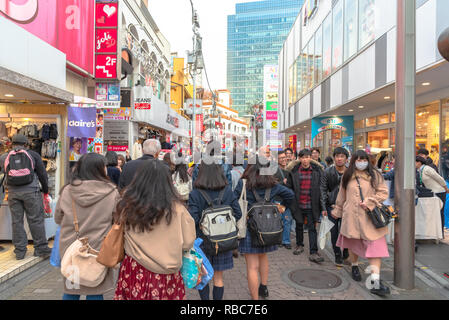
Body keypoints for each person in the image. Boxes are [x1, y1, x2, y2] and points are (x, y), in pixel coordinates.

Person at [114, 160, 196, 300]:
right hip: (167, 273)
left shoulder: (127, 205)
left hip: (134, 269)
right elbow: (188, 243)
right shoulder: (178, 209)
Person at [54, 153, 120, 300]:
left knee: (72, 289)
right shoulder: (112, 192)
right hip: (98, 248)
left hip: (72, 247)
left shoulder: (67, 191)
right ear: (101, 169)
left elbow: (58, 218)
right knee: (95, 288)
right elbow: (117, 221)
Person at [331, 150, 390, 297]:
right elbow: (342, 194)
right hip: (351, 216)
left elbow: (383, 192)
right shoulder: (347, 175)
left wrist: (370, 201)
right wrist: (337, 209)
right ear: (353, 161)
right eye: (359, 159)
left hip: (370, 218)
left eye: (364, 159)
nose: (362, 162)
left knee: (376, 248)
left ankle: (375, 282)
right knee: (353, 244)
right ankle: (355, 266)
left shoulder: (375, 175)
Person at [234, 158, 294, 300]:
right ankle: (264, 287)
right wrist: (281, 206)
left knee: (252, 266)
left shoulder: (243, 184)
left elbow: (233, 201)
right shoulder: (273, 185)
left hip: (250, 229)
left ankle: (255, 299)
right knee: (263, 257)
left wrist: (242, 214)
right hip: (268, 228)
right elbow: (291, 195)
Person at [188, 163, 242, 300]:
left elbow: (193, 219)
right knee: (218, 277)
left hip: (202, 241)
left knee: (204, 276)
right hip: (224, 240)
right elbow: (238, 213)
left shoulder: (195, 193)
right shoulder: (227, 191)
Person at [0, 134, 52, 260]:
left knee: (16, 221)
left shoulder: (4, 157)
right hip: (31, 192)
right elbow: (42, 174)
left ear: (12, 143)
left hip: (12, 193)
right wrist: (45, 191)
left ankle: (20, 251)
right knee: (35, 220)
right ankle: (40, 249)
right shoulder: (34, 155)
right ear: (26, 144)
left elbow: (3, 173)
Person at [286, 149, 325, 262]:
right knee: (299, 225)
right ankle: (300, 245)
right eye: (302, 157)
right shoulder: (293, 171)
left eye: (307, 157)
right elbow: (289, 187)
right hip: (298, 204)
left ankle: (313, 251)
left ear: (310, 158)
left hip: (312, 205)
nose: (305, 160)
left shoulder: (318, 171)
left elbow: (322, 188)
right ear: (299, 159)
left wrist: (322, 206)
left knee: (312, 228)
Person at [320, 147, 350, 266]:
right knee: (334, 231)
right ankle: (337, 254)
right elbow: (322, 190)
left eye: (342, 156)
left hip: (347, 207)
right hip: (331, 206)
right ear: (334, 158)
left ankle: (346, 251)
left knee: (346, 231)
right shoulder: (327, 171)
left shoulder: (350, 172)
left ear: (346, 159)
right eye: (337, 156)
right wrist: (323, 207)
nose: (339, 159)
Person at [416, 156, 448, 238]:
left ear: (419, 162)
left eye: (415, 162)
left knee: (440, 212)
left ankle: (441, 233)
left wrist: (445, 188)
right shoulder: (419, 170)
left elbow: (439, 178)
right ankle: (435, 233)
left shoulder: (427, 169)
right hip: (432, 193)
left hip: (439, 192)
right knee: (435, 213)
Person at [274, 150, 293, 249]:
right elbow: (273, 184)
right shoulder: (275, 170)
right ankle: (279, 240)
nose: (283, 159)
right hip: (278, 199)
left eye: (284, 157)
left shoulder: (290, 170)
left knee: (287, 220)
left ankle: (286, 241)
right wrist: (283, 182)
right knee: (278, 220)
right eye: (281, 158)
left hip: (288, 199)